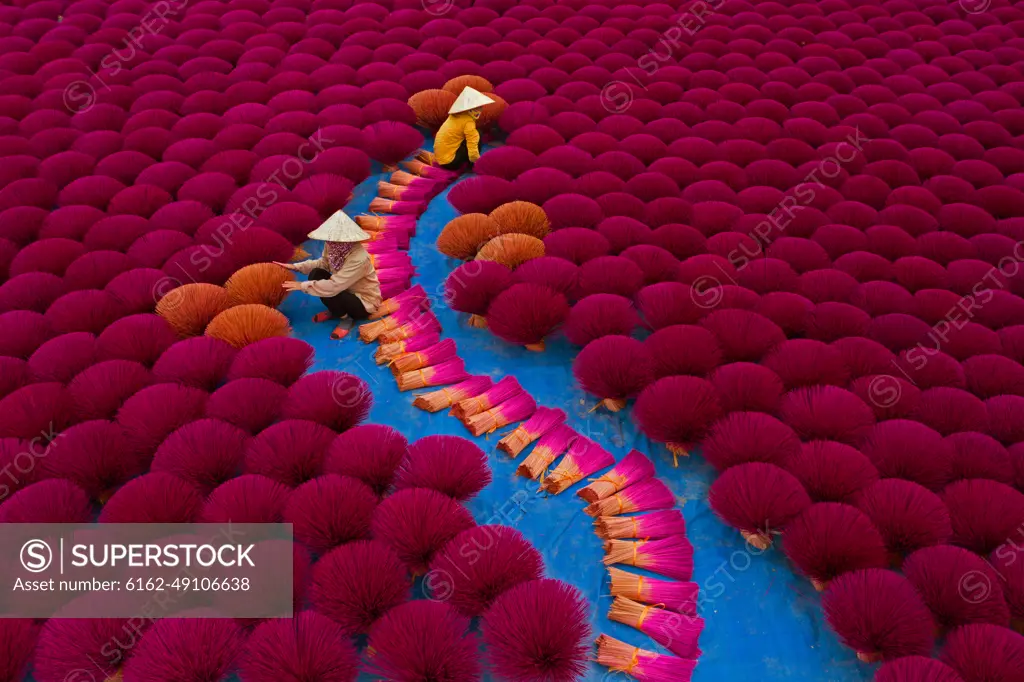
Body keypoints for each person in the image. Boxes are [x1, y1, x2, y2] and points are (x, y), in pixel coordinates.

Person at [276, 210, 381, 340]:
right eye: (330, 239)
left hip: (362, 302)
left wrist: (302, 285)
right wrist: (295, 267)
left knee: (329, 289)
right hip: (343, 289)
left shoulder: (359, 258)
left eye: (335, 240)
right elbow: (324, 263)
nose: (330, 243)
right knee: (316, 274)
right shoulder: (331, 245)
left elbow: (335, 286)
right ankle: (337, 311)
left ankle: (346, 319)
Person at [433, 86, 495, 171]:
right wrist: (477, 162)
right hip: (451, 162)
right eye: (477, 107)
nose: (480, 109)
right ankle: (471, 166)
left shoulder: (454, 116)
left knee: (472, 135)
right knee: (477, 134)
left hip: (441, 158)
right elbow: (472, 144)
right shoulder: (468, 121)